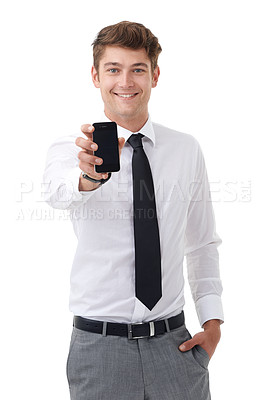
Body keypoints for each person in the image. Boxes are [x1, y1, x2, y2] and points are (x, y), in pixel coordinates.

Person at [43, 21, 224, 400]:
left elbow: (202, 242)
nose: (125, 81)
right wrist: (88, 179)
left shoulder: (186, 149)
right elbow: (57, 192)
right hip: (99, 348)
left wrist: (212, 322)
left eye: (137, 69)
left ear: (154, 75)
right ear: (96, 75)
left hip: (175, 346)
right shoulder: (72, 149)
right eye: (113, 69)